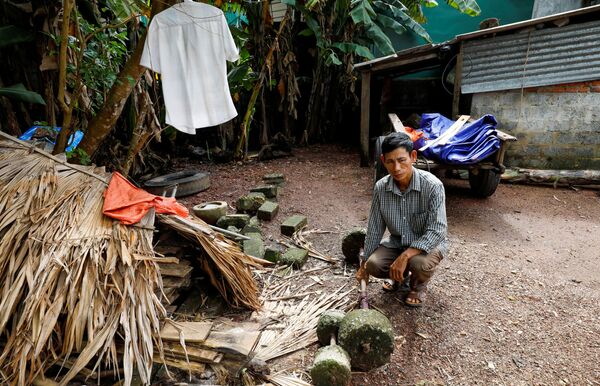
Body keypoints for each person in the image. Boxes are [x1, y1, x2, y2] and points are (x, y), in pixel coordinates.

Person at [356, 131, 447, 307]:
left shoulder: (433, 186)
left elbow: (437, 230)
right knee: (374, 265)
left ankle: (417, 286)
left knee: (419, 263)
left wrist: (405, 256)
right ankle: (399, 276)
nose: (396, 168)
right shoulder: (381, 188)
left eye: (401, 160)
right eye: (390, 162)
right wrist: (364, 264)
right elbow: (375, 228)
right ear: (383, 161)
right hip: (397, 242)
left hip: (429, 245)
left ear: (413, 156)